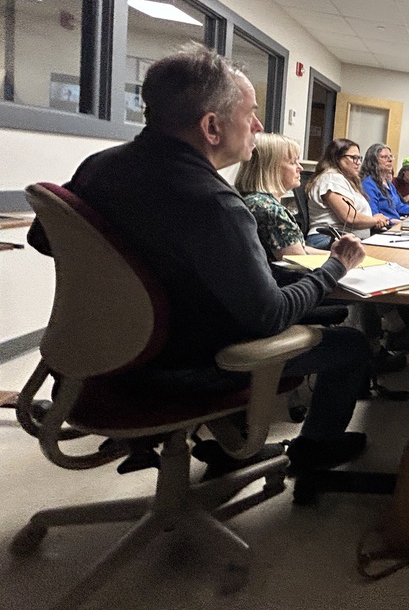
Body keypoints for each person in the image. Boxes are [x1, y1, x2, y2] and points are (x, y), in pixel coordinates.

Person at [27, 43, 372, 474]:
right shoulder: (216, 204)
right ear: (212, 126)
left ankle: (226, 450)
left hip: (96, 361)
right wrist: (335, 267)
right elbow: (269, 316)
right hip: (174, 371)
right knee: (351, 345)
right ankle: (313, 455)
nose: (258, 125)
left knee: (314, 304)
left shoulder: (100, 166)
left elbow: (43, 236)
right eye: (249, 114)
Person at [235, 133, 327, 261]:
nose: (300, 168)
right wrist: (340, 261)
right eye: (293, 162)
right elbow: (300, 263)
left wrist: (334, 255)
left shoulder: (248, 199)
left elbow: (299, 248)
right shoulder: (270, 211)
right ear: (271, 167)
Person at [305, 138, 390, 247]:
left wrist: (373, 220)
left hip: (343, 239)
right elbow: (350, 217)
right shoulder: (331, 178)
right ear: (336, 158)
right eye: (353, 158)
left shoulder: (344, 180)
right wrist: (374, 220)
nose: (358, 162)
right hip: (328, 240)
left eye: (359, 158)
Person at [361, 143, 409, 222]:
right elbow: (373, 216)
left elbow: (399, 207)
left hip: (395, 225)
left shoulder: (388, 184)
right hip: (384, 229)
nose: (390, 160)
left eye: (390, 156)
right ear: (373, 161)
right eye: (384, 157)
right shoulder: (368, 184)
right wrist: (395, 222)